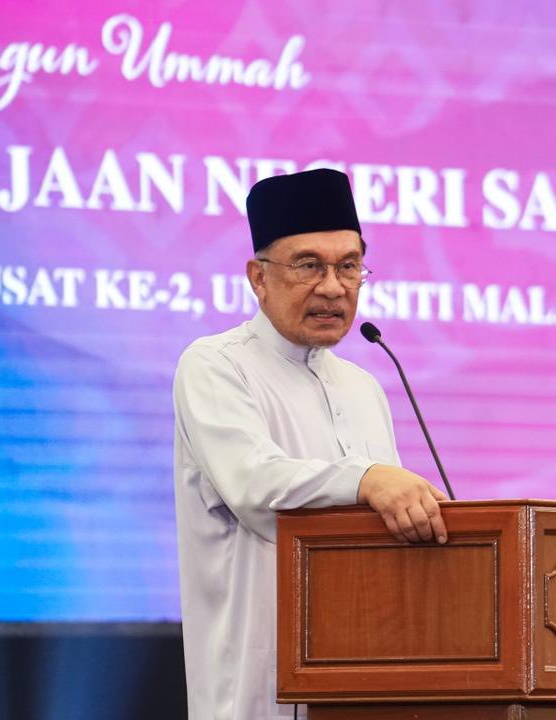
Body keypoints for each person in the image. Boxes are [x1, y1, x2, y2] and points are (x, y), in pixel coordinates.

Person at [172, 168, 449, 720]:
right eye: (308, 265)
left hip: (361, 688)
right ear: (258, 277)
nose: (333, 287)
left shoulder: (363, 386)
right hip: (255, 693)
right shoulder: (216, 365)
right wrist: (368, 479)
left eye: (349, 266)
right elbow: (255, 487)